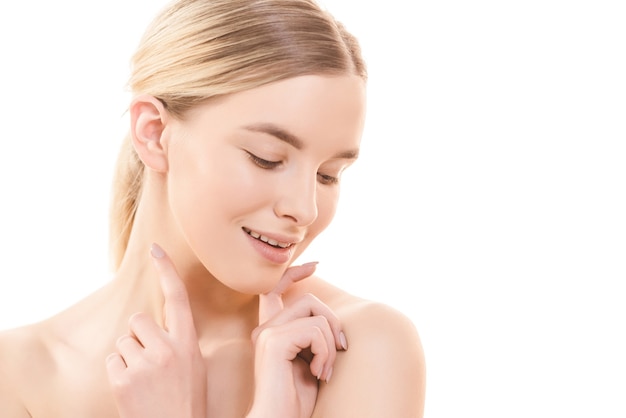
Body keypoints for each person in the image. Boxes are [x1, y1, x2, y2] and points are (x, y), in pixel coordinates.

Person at [0, 0, 426, 416]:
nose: (305, 208)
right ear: (153, 134)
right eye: (266, 158)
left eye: (329, 175)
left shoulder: (358, 347)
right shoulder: (18, 375)